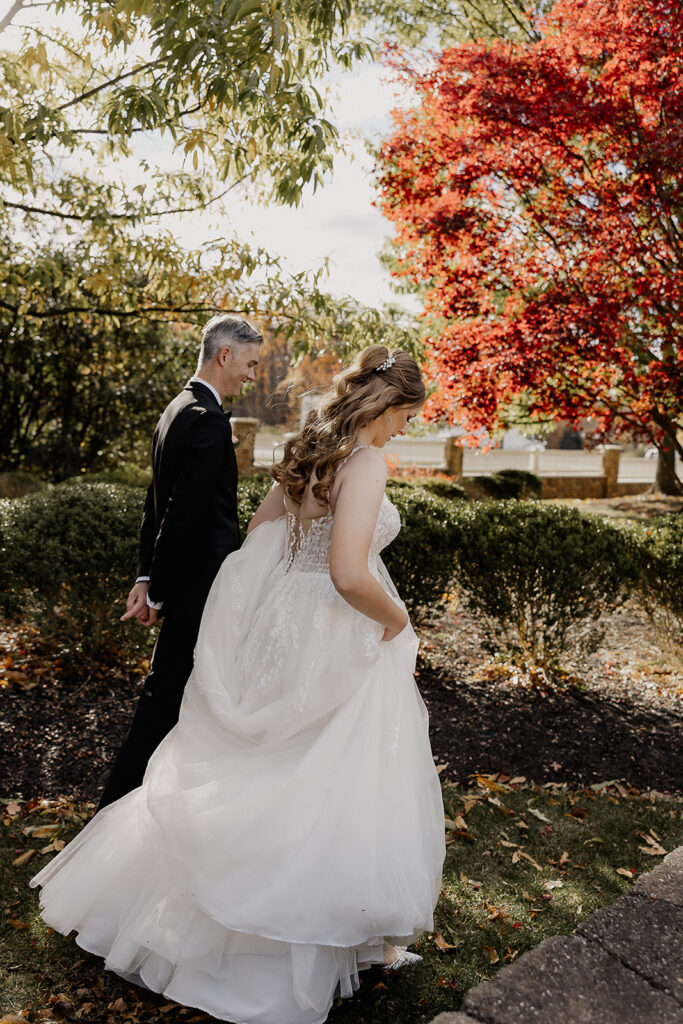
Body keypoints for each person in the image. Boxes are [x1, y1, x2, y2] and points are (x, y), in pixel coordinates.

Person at [30, 345, 446, 1024]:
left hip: (283, 624)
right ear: (391, 406)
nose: (404, 430)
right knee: (324, 775)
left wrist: (266, 617)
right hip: (336, 632)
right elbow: (347, 573)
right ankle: (296, 940)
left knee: (267, 765)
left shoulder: (312, 447)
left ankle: (315, 934)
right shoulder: (366, 463)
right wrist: (398, 619)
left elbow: (259, 539)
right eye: (406, 416)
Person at [97, 313, 263, 809]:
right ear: (224, 355)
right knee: (164, 700)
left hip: (181, 584)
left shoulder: (178, 408)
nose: (253, 375)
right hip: (197, 590)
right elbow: (180, 516)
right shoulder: (207, 422)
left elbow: (157, 503)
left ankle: (170, 802)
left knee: (174, 698)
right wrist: (161, 592)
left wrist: (147, 576)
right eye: (250, 363)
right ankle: (117, 811)